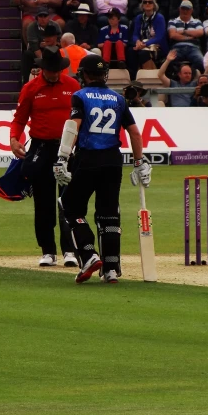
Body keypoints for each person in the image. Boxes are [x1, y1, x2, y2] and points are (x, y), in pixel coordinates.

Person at [53, 54, 149, 284]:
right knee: (108, 215)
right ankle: (111, 268)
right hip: (113, 162)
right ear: (104, 74)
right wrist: (139, 163)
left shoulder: (80, 96)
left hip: (87, 159)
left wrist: (62, 158)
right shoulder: (118, 99)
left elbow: (72, 127)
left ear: (84, 74)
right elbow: (134, 133)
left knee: (70, 207)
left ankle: (88, 254)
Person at [10, 46, 80, 268]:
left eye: (57, 70)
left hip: (67, 149)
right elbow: (19, 119)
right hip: (41, 148)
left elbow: (82, 118)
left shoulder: (72, 86)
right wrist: (14, 139)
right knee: (43, 202)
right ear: (43, 69)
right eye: (50, 71)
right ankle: (48, 251)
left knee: (69, 201)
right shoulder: (31, 88)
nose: (55, 74)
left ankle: (70, 250)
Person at [167, 0, 205, 74]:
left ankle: (191, 76)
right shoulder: (172, 21)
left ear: (191, 10)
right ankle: (178, 78)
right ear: (179, 9)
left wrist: (184, 31)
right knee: (169, 62)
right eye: (183, 9)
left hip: (194, 47)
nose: (185, 11)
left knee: (201, 61)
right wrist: (190, 37)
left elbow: (200, 33)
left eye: (187, 9)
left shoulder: (197, 21)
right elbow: (172, 35)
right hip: (177, 47)